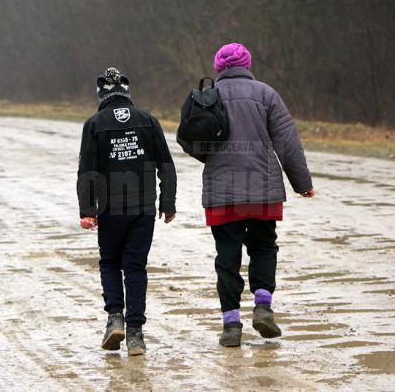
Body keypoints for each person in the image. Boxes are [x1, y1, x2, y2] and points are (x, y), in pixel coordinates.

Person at [199, 43, 315, 347]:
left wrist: (210, 158)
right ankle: (263, 307)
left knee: (227, 257)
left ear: (218, 67)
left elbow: (192, 140)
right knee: (264, 248)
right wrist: (302, 183)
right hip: (263, 190)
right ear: (247, 65)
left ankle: (231, 326)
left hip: (222, 193)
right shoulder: (267, 94)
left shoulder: (209, 96)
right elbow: (287, 141)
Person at [77, 67, 177, 356]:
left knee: (110, 262)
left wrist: (88, 209)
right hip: (143, 208)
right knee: (135, 266)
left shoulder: (94, 124)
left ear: (102, 95)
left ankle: (115, 318)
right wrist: (167, 203)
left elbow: (88, 170)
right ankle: (136, 335)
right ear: (127, 93)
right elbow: (166, 165)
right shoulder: (148, 120)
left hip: (110, 209)